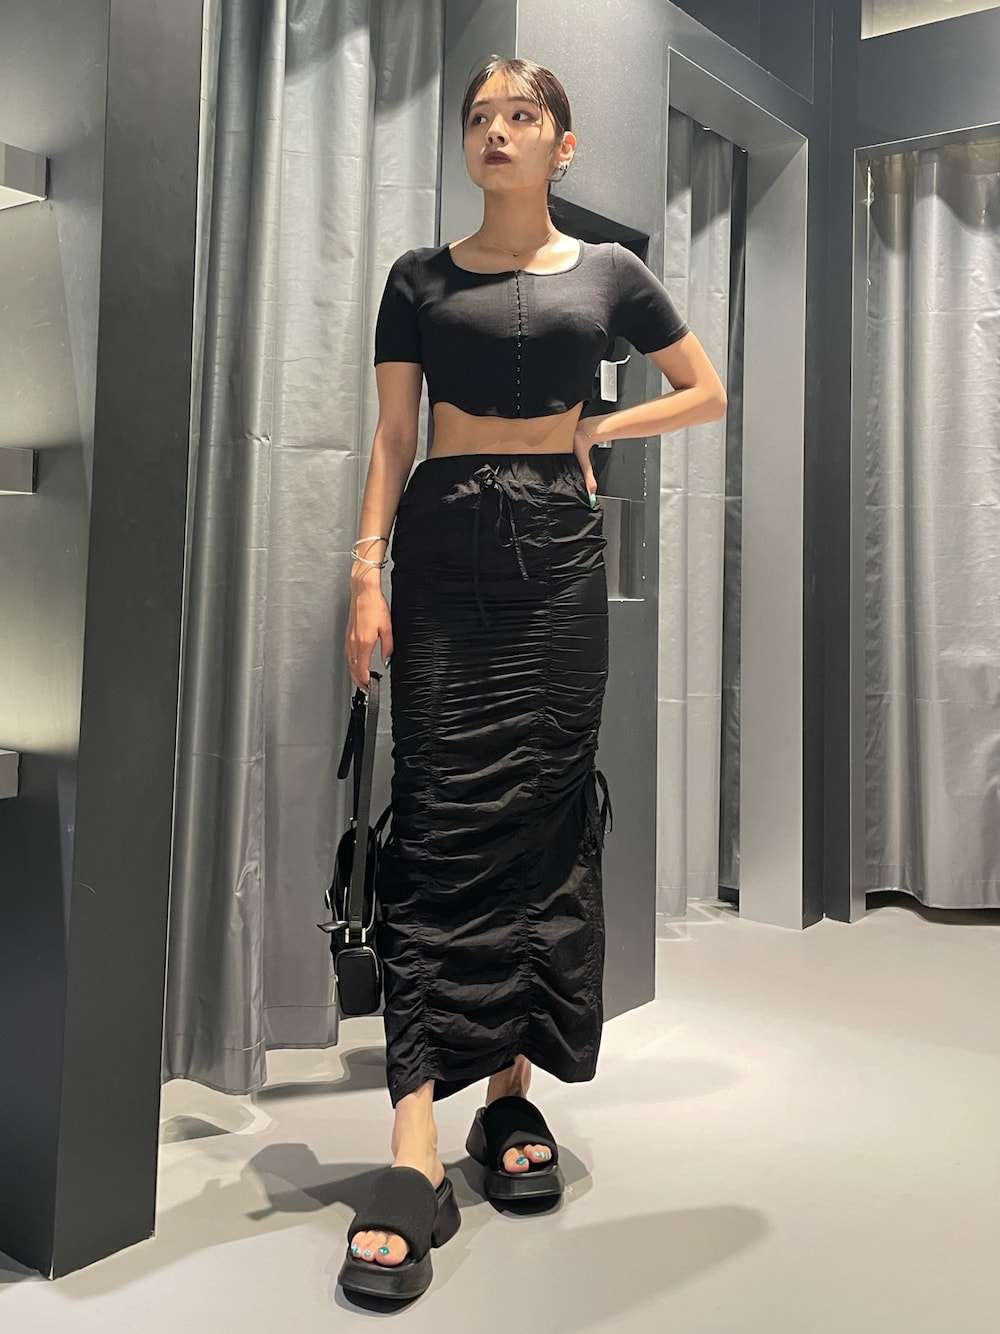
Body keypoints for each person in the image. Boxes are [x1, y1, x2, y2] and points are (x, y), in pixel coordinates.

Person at [338, 56, 727, 1305]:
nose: (495, 132)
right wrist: (365, 571)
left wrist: (600, 427)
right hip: (443, 544)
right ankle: (412, 1132)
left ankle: (509, 1092)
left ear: (562, 145)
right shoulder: (417, 279)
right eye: (479, 117)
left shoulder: (608, 273)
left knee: (545, 810)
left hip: (558, 551)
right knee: (438, 815)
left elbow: (705, 392)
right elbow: (394, 437)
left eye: (521, 116)